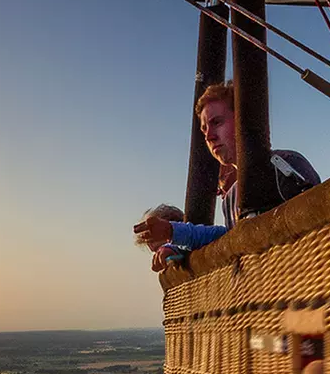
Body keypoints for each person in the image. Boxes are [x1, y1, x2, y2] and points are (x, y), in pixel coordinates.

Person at [133, 82, 319, 269]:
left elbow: (317, 223)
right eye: (204, 130)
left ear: (242, 120)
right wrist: (175, 239)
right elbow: (226, 240)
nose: (209, 137)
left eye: (217, 122)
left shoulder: (284, 164)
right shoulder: (230, 199)